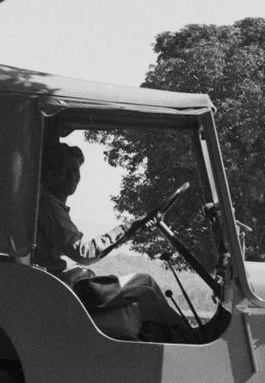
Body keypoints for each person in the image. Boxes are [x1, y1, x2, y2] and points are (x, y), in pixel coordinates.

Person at [35, 141, 186, 341]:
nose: (73, 177)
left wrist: (132, 227)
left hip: (63, 283)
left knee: (145, 279)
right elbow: (84, 253)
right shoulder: (48, 206)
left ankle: (182, 334)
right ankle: (187, 339)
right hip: (59, 289)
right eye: (66, 170)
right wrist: (127, 228)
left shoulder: (52, 204)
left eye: (76, 171)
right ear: (49, 173)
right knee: (146, 295)